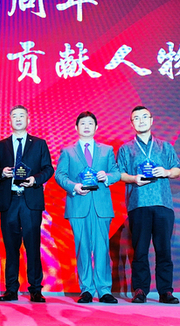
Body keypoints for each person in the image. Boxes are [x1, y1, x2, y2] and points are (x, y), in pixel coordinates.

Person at [117, 106, 180, 304]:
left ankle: (166, 291)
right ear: (131, 123)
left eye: (145, 117)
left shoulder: (165, 146)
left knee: (164, 250)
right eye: (136, 118)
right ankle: (140, 290)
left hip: (163, 204)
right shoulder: (126, 149)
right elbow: (119, 174)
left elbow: (178, 170)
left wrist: (167, 172)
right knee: (140, 250)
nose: (141, 120)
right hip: (138, 204)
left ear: (152, 120)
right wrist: (134, 178)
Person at [55, 111, 120, 304]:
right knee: (82, 248)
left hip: (101, 206)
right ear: (76, 127)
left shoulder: (107, 150)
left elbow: (116, 173)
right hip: (78, 206)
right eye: (82, 123)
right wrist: (73, 186)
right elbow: (60, 175)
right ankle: (86, 290)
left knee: (102, 249)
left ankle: (104, 290)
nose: (86, 126)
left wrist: (107, 177)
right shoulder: (68, 151)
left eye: (90, 123)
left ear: (96, 127)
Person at [0, 105, 54, 302]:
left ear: (28, 120)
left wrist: (35, 180)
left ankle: (35, 289)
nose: (18, 119)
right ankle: (11, 289)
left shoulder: (39, 144)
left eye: (22, 116)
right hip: (9, 200)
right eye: (15, 116)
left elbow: (48, 169)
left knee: (33, 246)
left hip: (30, 201)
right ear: (9, 121)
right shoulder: (0, 145)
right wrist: (2, 172)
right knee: (11, 248)